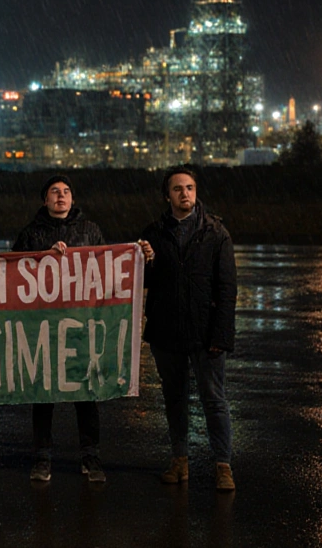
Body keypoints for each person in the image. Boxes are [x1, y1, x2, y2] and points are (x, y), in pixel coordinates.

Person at [12, 175, 153, 484]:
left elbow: (106, 270)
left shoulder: (90, 231)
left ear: (72, 199)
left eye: (66, 192)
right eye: (54, 192)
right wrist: (42, 258)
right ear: (44, 201)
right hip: (45, 326)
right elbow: (14, 273)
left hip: (82, 326)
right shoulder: (31, 233)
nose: (60, 196)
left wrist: (138, 257)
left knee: (87, 394)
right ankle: (42, 459)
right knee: (43, 394)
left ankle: (91, 458)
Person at [141, 166, 238, 491]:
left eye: (190, 187)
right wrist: (148, 261)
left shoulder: (215, 233)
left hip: (204, 330)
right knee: (175, 399)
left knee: (214, 399)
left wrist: (221, 335)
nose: (185, 194)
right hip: (167, 329)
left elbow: (226, 288)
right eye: (178, 188)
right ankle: (179, 461)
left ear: (197, 193)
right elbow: (144, 282)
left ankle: (222, 466)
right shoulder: (153, 234)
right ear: (167, 195)